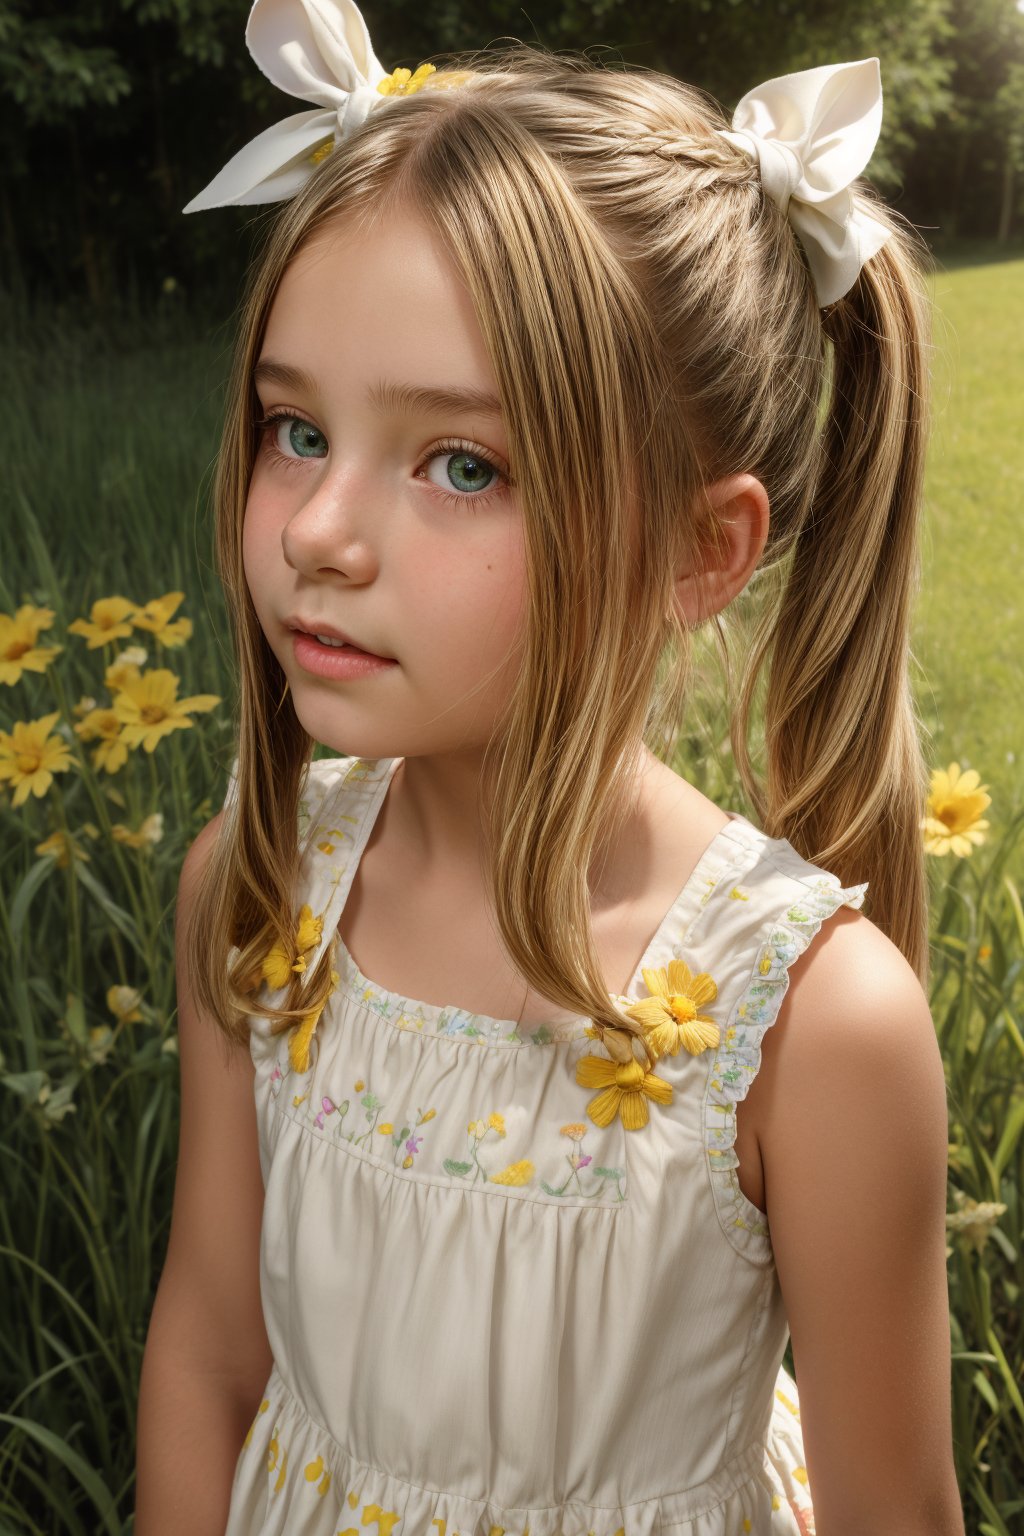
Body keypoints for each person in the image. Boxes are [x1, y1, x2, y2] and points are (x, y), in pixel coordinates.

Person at [134, 2, 966, 1533]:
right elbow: (207, 1350)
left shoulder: (810, 1029)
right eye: (293, 428)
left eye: (463, 464)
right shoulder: (257, 891)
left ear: (696, 552)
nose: (317, 530)